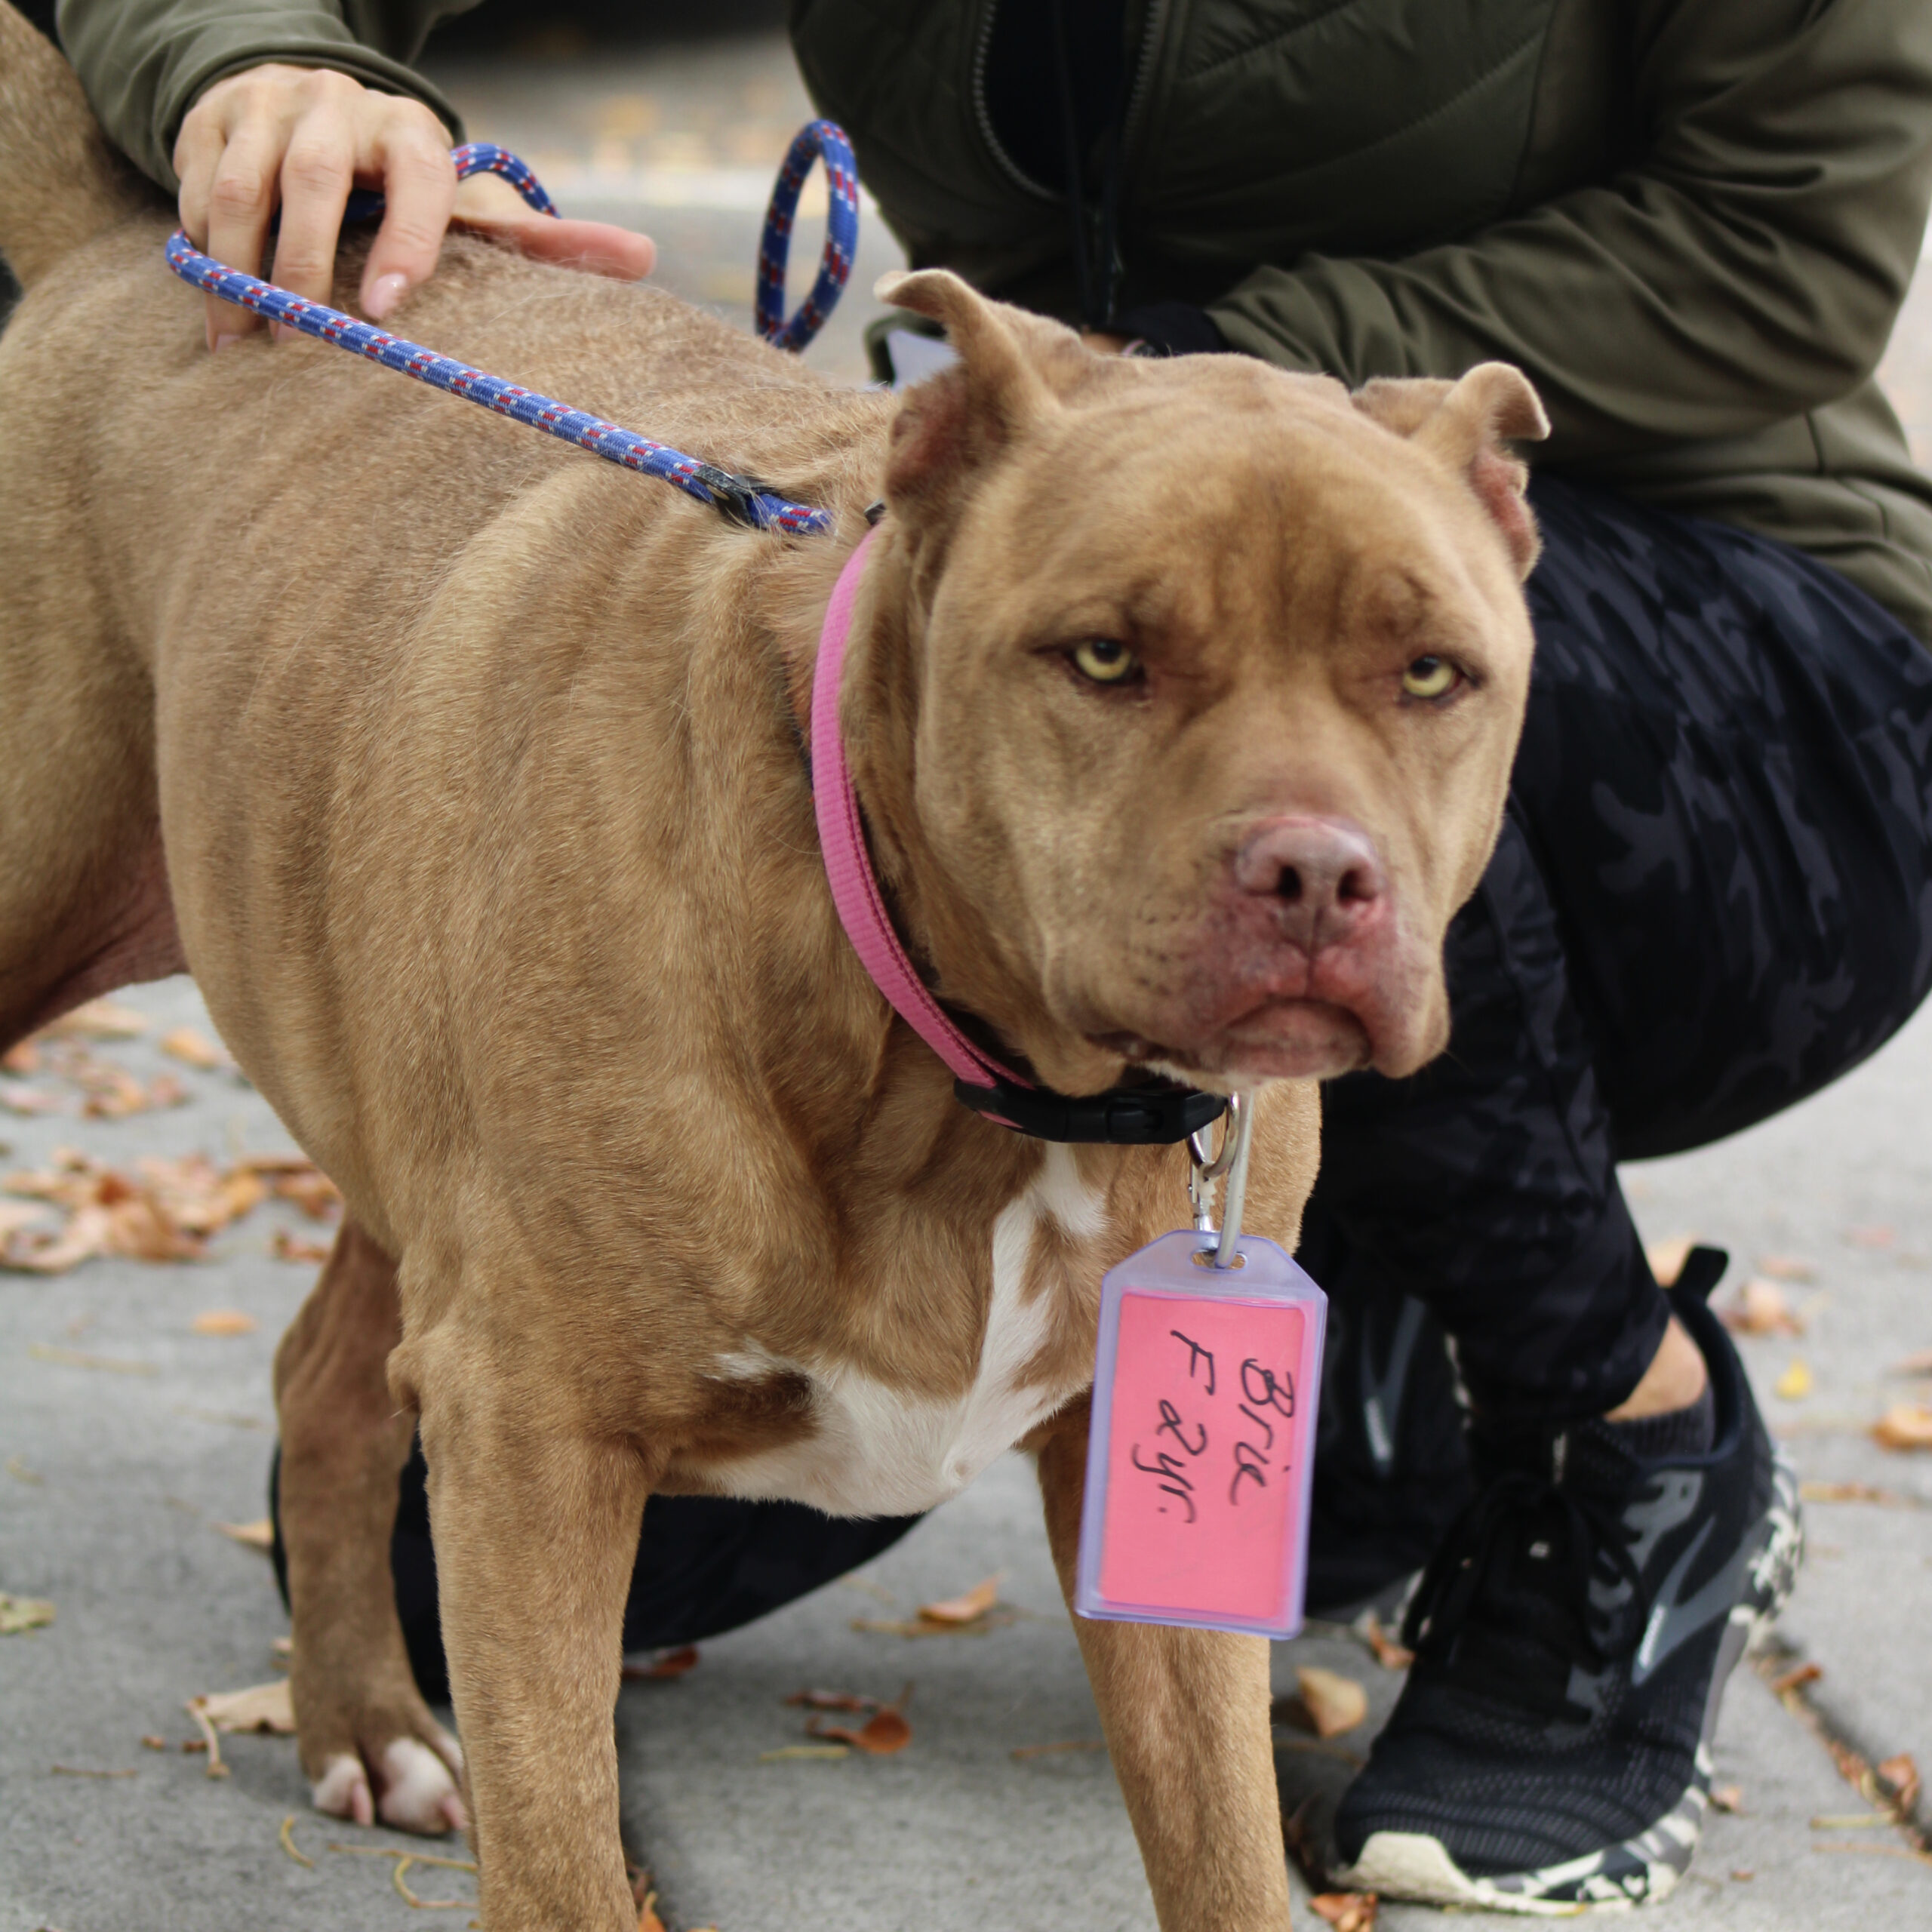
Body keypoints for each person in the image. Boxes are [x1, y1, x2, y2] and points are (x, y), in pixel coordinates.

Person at [52, 0, 1932, 1909]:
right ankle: (1351, 1343)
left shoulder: (1336, 743)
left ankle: (1612, 1426)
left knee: (1244, 1004)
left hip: (1732, 608)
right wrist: (250, 54)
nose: (1312, 847)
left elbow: (1788, 239)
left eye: (1429, 684)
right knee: (514, 1430)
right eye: (1119, 663)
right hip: (1028, 543)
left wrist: (1184, 427)